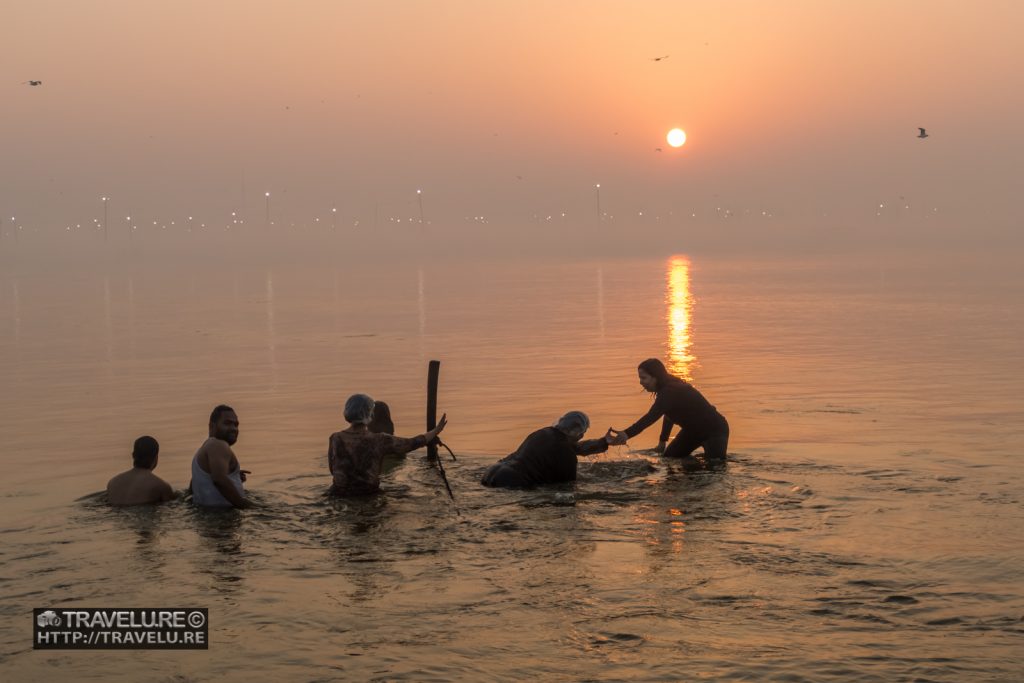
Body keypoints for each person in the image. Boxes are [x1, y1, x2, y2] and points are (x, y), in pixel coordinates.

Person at [609, 358, 729, 468]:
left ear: (655, 377)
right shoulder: (665, 389)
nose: (641, 382)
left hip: (714, 430)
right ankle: (693, 469)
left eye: (644, 378)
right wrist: (662, 442)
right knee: (669, 458)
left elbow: (651, 417)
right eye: (640, 378)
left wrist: (627, 434)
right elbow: (668, 414)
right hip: (692, 431)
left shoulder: (670, 390)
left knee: (716, 466)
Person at [328, 393, 447, 496]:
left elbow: (332, 470)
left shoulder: (335, 438)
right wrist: (436, 430)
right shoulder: (380, 439)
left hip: (337, 494)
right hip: (368, 494)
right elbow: (412, 443)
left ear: (347, 412)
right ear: (370, 415)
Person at [481, 411, 612, 488]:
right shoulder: (566, 453)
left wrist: (604, 442)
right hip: (513, 482)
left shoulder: (542, 433)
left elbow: (575, 448)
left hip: (492, 472)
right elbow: (567, 487)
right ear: (580, 434)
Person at [190, 405, 252, 508]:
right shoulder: (218, 445)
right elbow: (219, 479)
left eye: (236, 425)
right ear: (212, 426)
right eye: (227, 423)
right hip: (223, 517)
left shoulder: (204, 448)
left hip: (206, 518)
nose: (233, 428)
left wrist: (233, 476)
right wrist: (247, 506)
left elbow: (194, 486)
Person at [106, 436, 176, 505]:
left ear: (133, 455)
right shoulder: (160, 485)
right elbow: (171, 505)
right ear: (156, 457)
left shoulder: (113, 482)